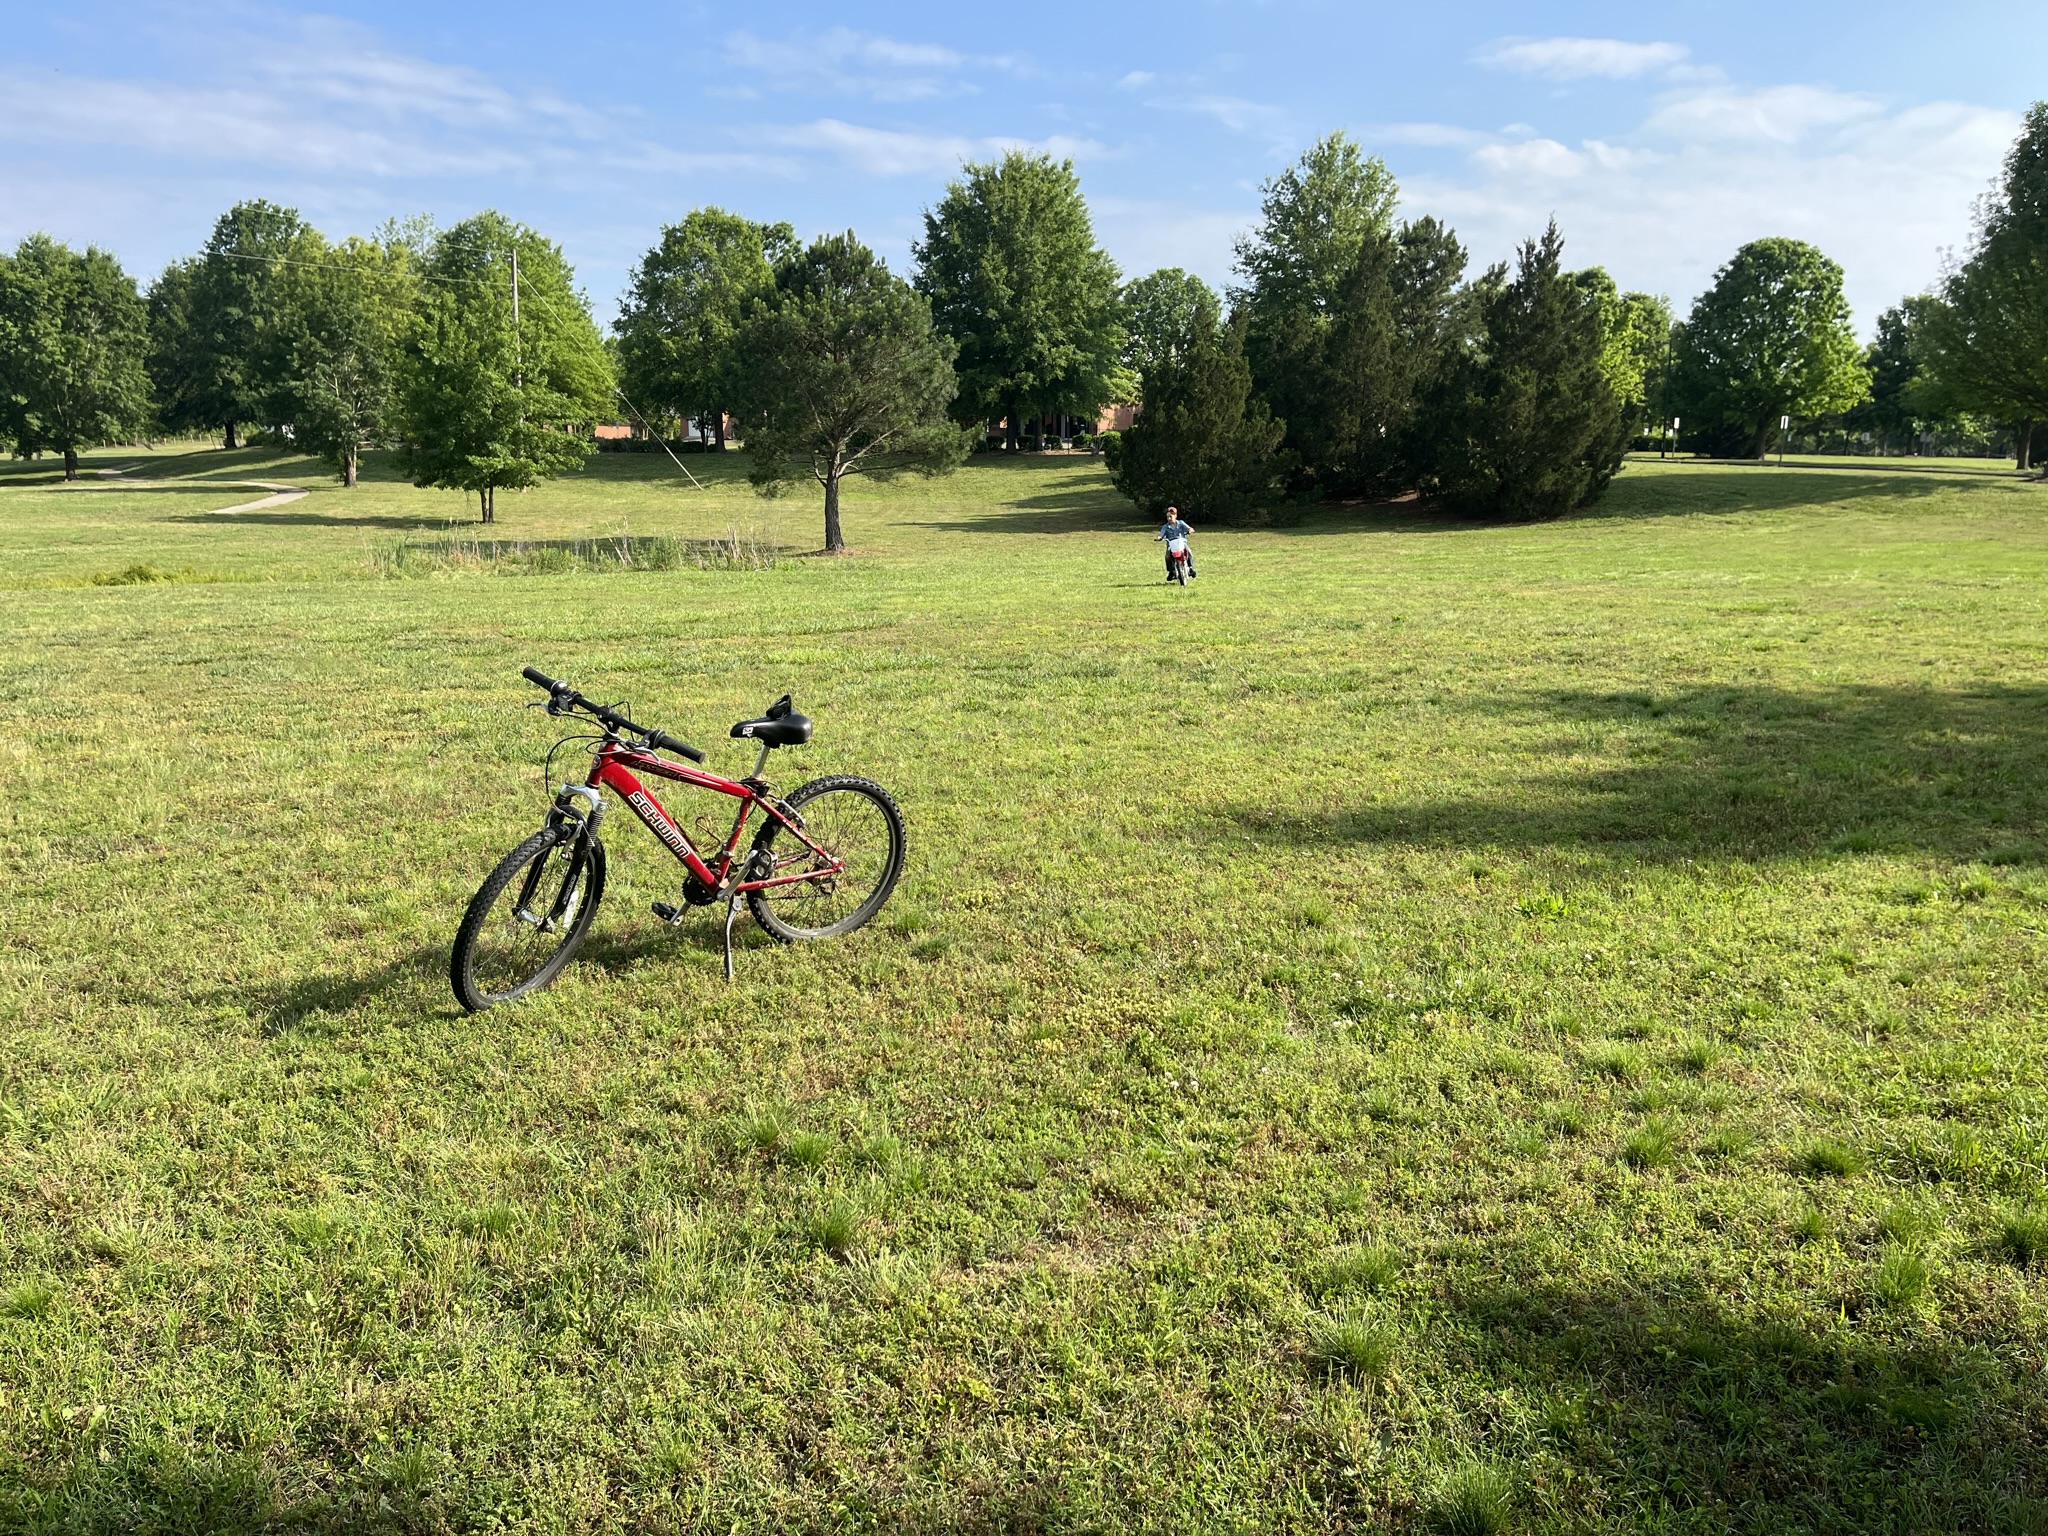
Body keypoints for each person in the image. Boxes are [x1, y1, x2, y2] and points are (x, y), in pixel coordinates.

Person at [1154, 506, 1195, 580]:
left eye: (1170, 516)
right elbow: (1161, 534)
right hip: (1171, 545)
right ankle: (1171, 571)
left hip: (1181, 543)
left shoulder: (1181, 523)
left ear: (1175, 515)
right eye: (1167, 517)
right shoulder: (1165, 527)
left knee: (1189, 551)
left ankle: (1191, 568)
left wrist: (1190, 530)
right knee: (1167, 557)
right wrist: (1159, 538)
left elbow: (1189, 528)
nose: (1169, 518)